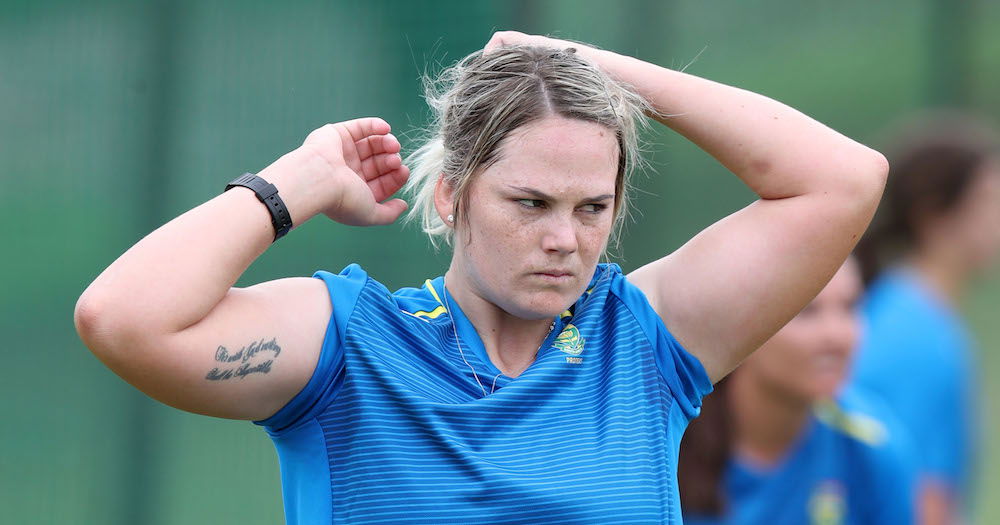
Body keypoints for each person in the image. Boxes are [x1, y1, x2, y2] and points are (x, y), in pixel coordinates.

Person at [74, 31, 887, 524]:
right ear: (452, 193)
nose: (565, 239)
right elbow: (123, 316)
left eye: (592, 207)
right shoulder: (349, 343)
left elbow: (845, 179)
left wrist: (583, 66)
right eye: (530, 201)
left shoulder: (644, 338)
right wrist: (302, 177)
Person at [678, 259, 916, 524]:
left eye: (850, 307)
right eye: (807, 310)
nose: (837, 336)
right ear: (739, 323)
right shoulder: (664, 444)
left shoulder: (872, 450)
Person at [850, 113, 1000, 524]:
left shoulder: (914, 315)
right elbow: (923, 499)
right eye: (988, 198)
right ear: (933, 213)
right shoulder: (914, 333)